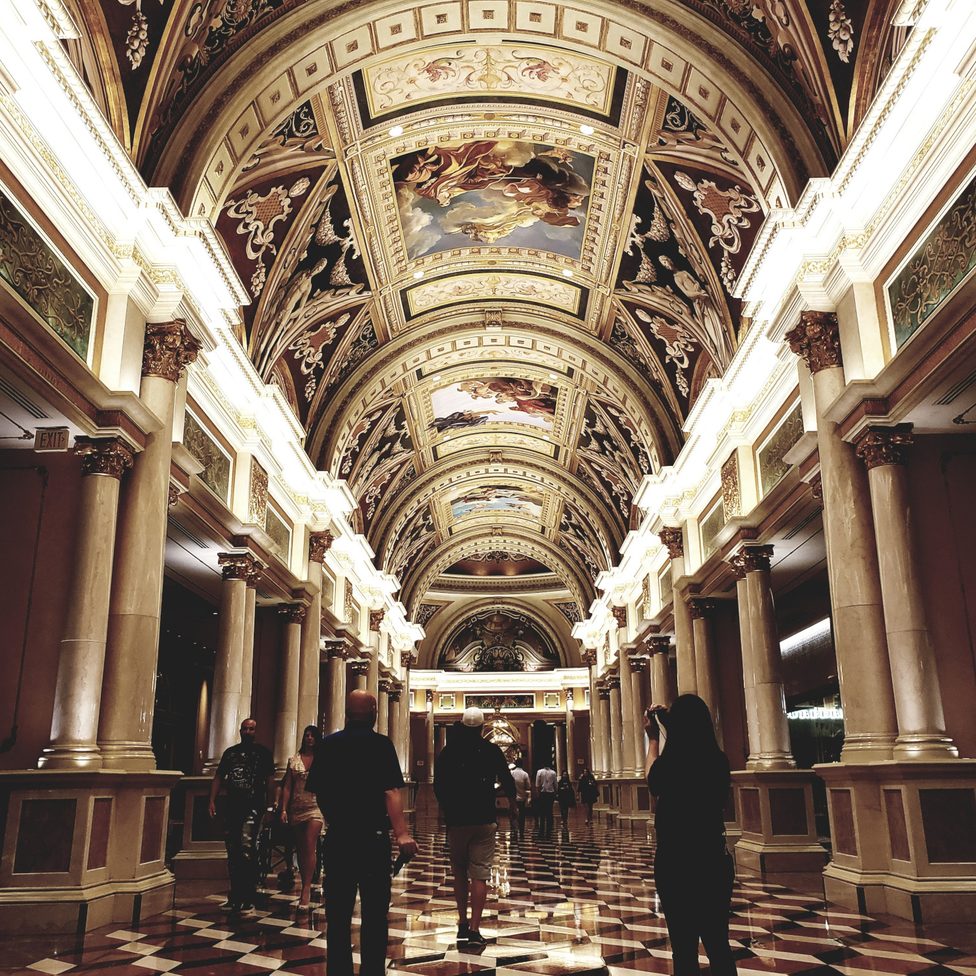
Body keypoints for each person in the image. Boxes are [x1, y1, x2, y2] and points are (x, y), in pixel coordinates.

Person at [306, 690, 418, 976]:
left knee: (338, 915)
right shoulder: (381, 745)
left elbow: (319, 793)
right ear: (374, 712)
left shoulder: (328, 745)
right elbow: (390, 791)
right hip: (373, 840)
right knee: (374, 915)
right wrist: (402, 833)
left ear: (347, 713)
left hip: (339, 839)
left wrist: (337, 819)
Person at [644, 696, 736, 976]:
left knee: (683, 949)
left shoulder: (671, 763)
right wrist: (672, 725)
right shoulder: (718, 761)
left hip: (675, 862)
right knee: (718, 943)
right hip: (712, 859)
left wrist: (654, 738)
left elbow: (652, 780)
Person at [434, 706, 516, 947]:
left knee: (459, 872)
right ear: (482, 728)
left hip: (457, 820)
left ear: (462, 725)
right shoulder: (491, 750)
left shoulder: (448, 751)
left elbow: (439, 785)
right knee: (480, 874)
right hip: (484, 818)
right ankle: (474, 929)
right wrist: (512, 804)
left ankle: (461, 922)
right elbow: (507, 779)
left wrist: (447, 808)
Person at [208, 717, 276, 914]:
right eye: (245, 729)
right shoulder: (230, 753)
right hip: (232, 808)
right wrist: (212, 800)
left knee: (247, 849)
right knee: (233, 850)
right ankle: (235, 895)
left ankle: (248, 895)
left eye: (251, 729)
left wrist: (270, 807)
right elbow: (218, 777)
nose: (247, 732)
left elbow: (270, 781)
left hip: (253, 807)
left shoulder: (263, 753)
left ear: (255, 731)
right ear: (240, 731)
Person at [279, 724, 324, 909]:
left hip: (316, 806)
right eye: (307, 735)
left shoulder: (322, 759)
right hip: (296, 807)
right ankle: (305, 880)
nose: (309, 738)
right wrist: (283, 809)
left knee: (309, 843)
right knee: (301, 848)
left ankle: (306, 889)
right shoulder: (294, 760)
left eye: (312, 735)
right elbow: (287, 786)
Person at [534, 760, 557, 839]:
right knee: (549, 813)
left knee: (542, 814)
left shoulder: (539, 772)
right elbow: (555, 785)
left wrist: (538, 794)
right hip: (550, 794)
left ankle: (541, 832)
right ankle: (548, 832)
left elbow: (537, 785)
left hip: (542, 794)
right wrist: (555, 793)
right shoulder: (553, 773)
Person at [510, 758, 531, 840]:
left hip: (513, 798)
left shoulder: (512, 773)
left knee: (513, 815)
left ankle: (514, 830)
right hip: (522, 798)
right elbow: (528, 786)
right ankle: (521, 832)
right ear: (522, 764)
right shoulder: (525, 774)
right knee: (522, 815)